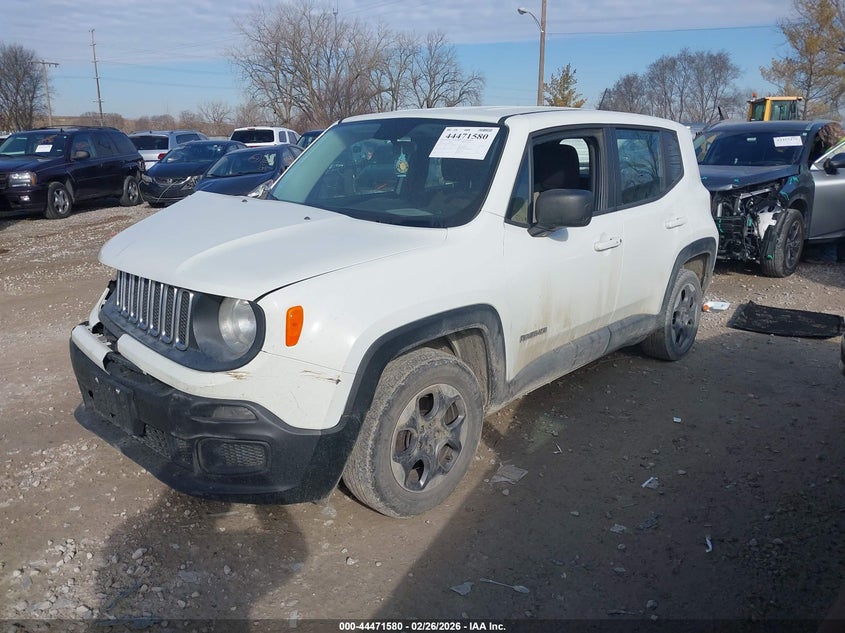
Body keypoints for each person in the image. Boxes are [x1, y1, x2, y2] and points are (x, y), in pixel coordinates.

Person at [803, 122, 845, 264]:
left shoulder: (838, 149)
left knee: (831, 220)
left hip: (837, 188)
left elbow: (827, 163)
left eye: (823, 138)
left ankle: (828, 257)